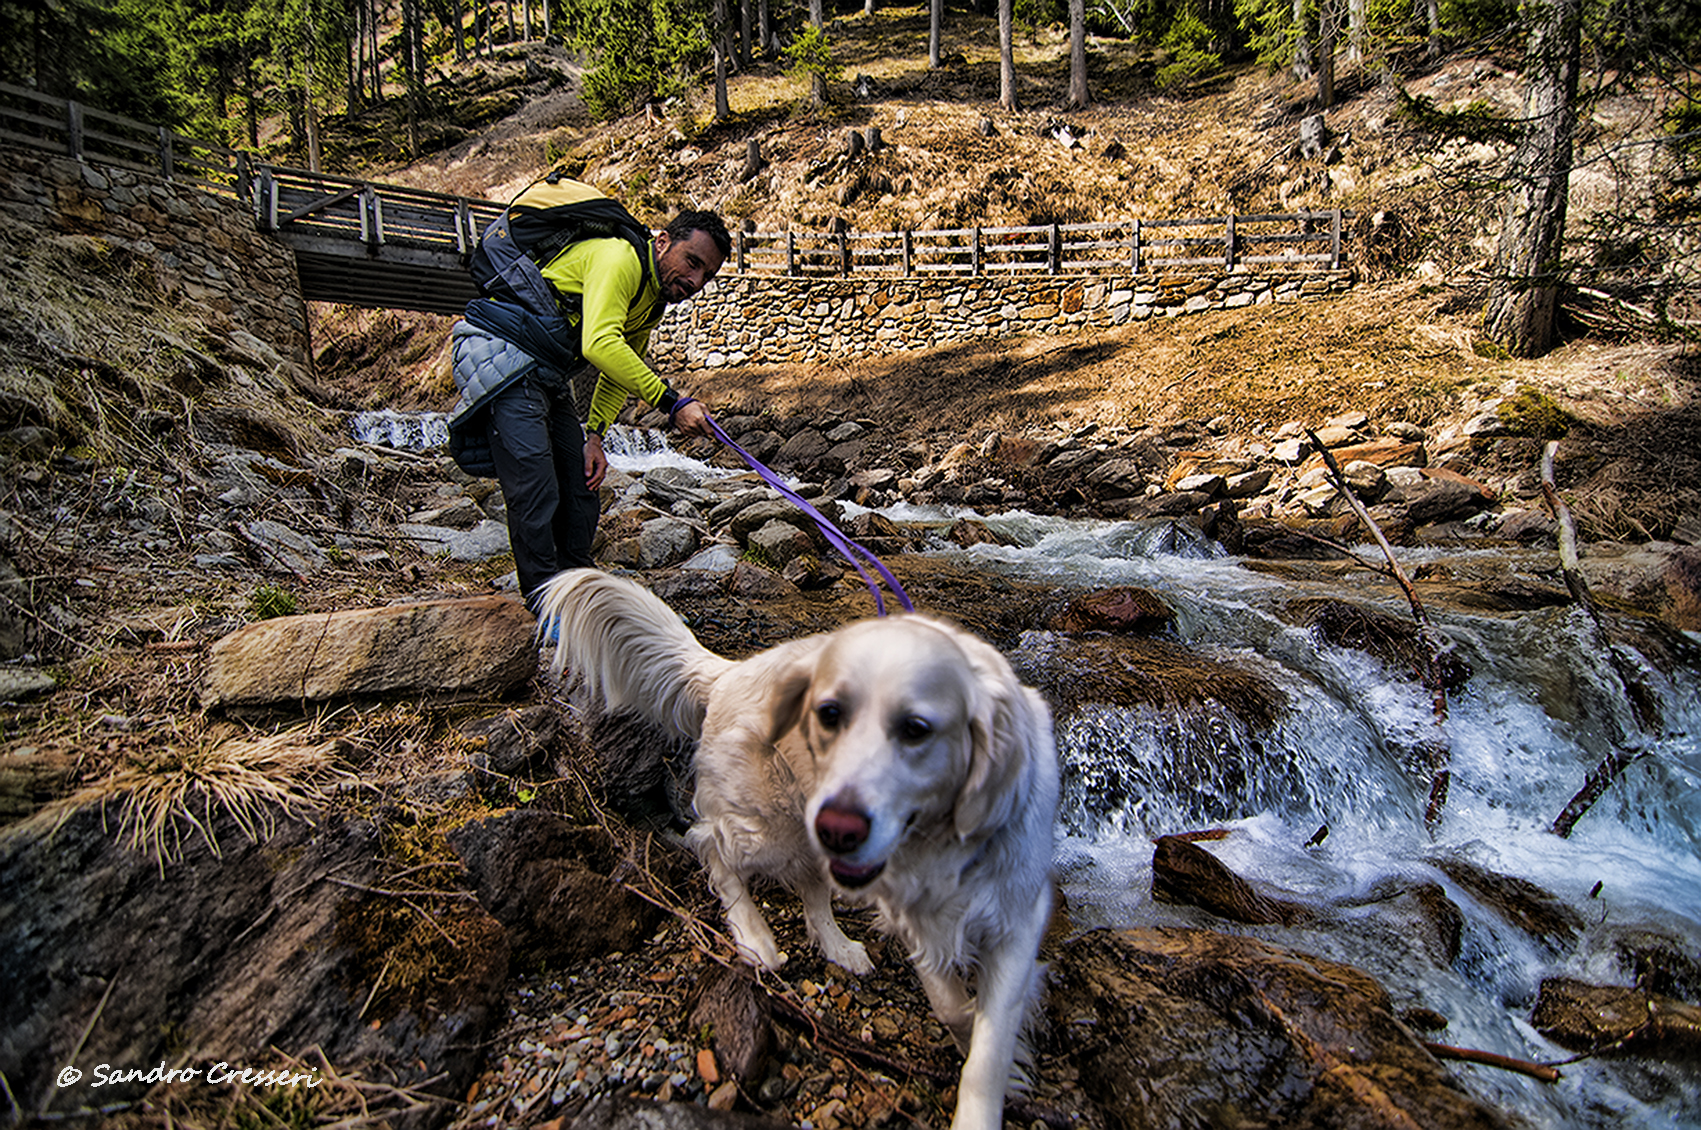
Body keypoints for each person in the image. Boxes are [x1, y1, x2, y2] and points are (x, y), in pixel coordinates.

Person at [449, 193, 731, 612]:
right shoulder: (618, 258)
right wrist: (672, 403)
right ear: (662, 242)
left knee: (580, 487)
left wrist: (595, 437)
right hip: (503, 356)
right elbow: (599, 344)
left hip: (546, 371)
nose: (695, 282)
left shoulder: (649, 300)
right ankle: (546, 605)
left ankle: (578, 592)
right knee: (535, 485)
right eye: (693, 262)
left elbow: (621, 365)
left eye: (706, 276)